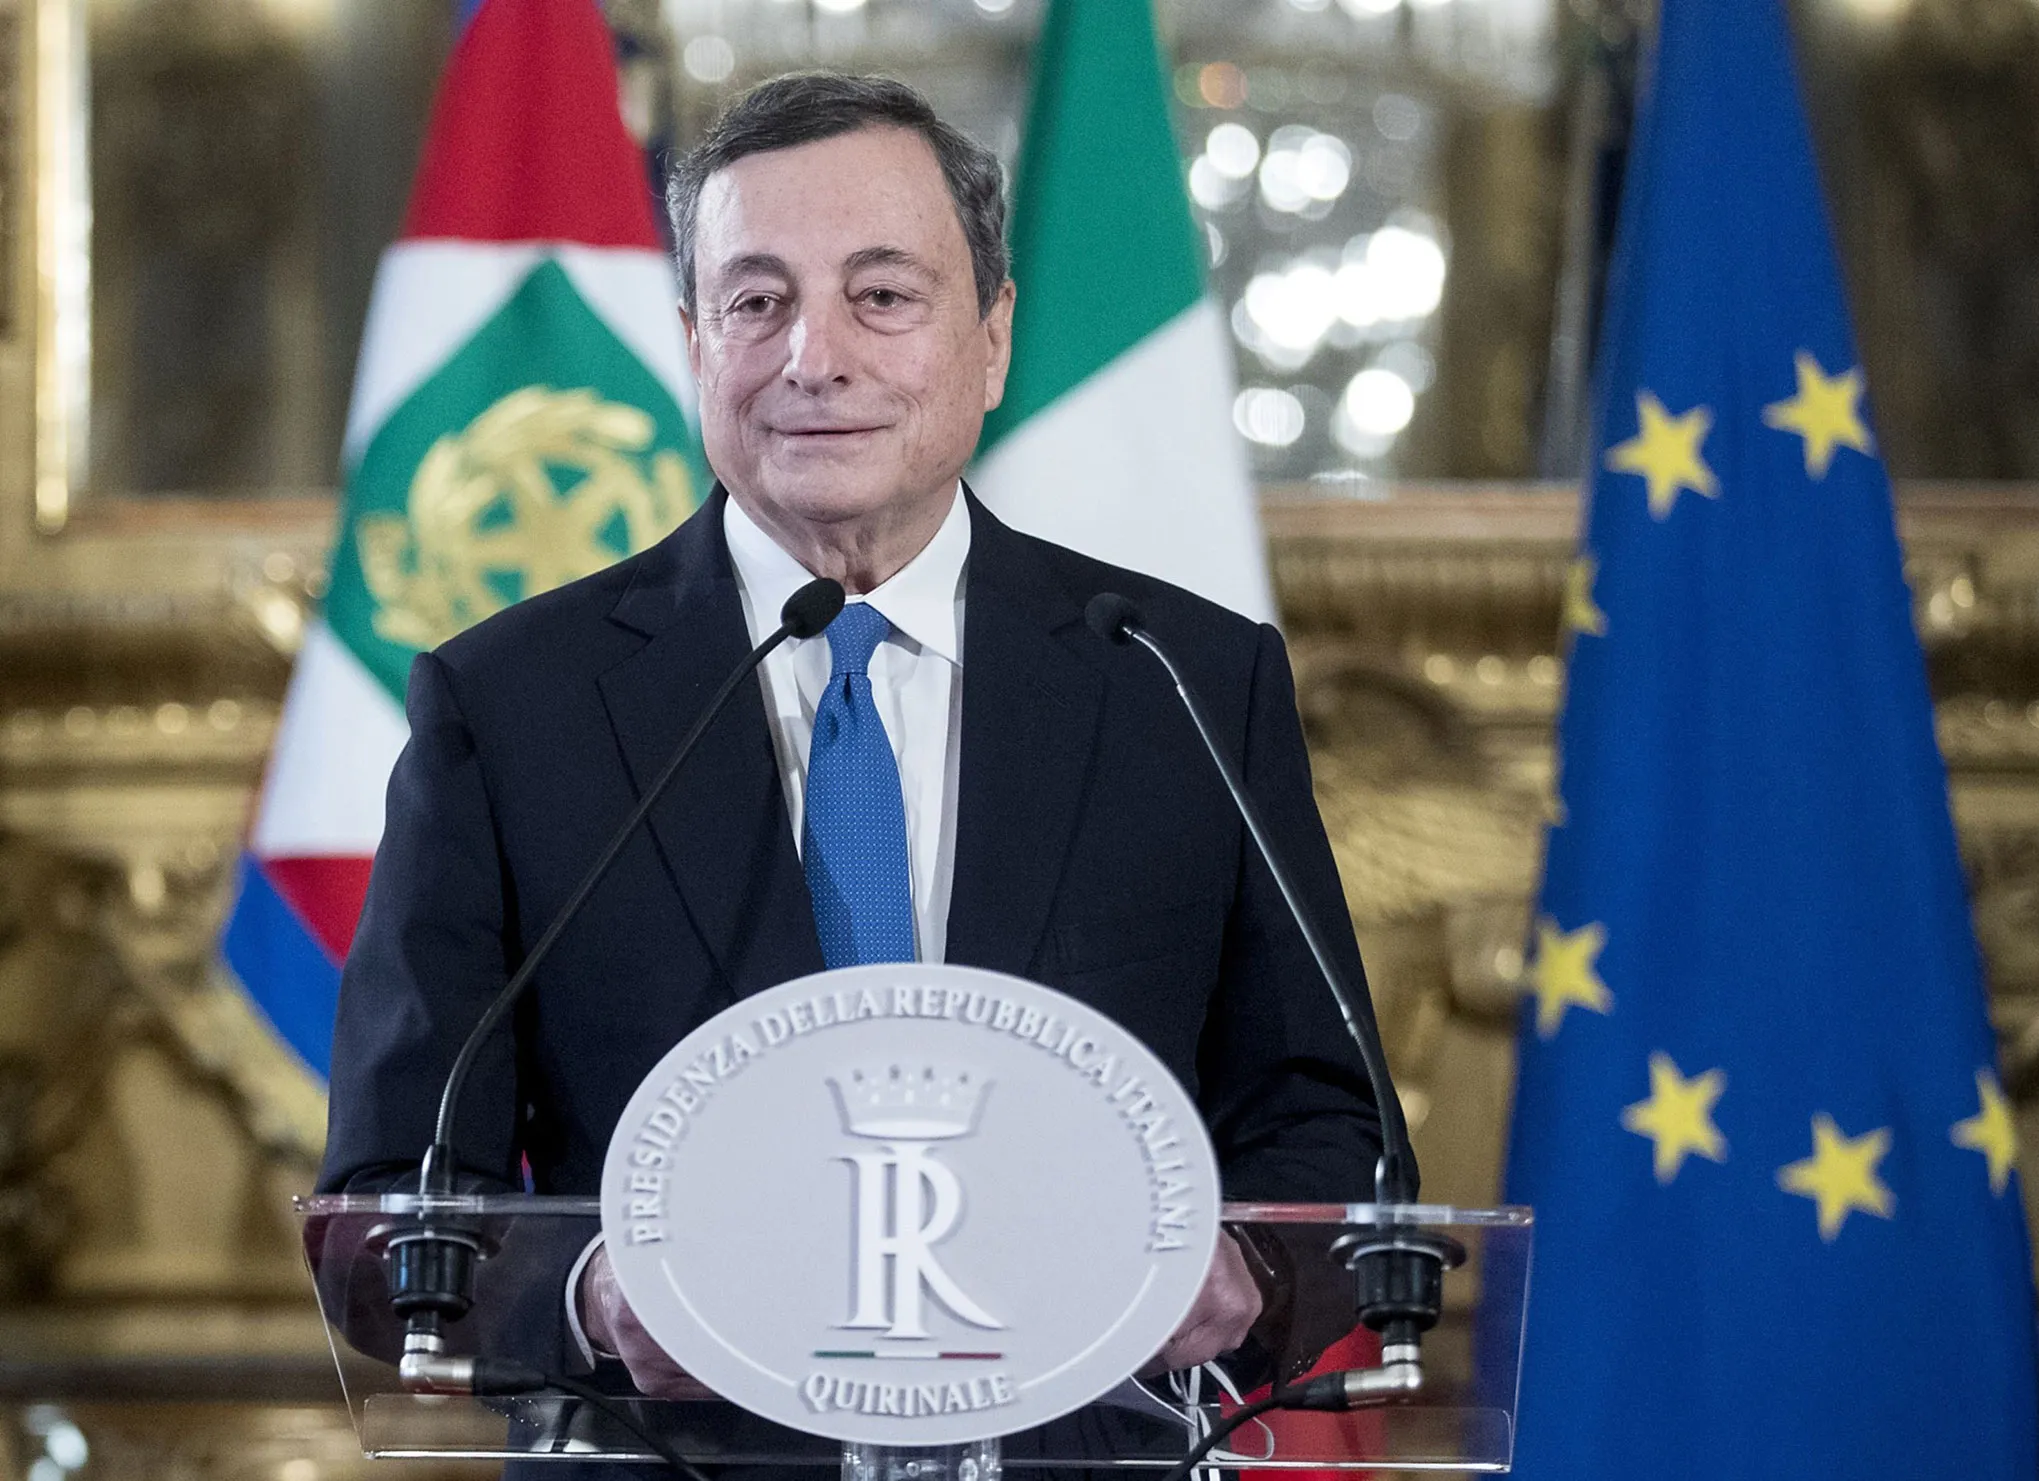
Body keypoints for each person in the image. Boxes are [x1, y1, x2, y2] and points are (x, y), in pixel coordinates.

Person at [319, 71, 1405, 1403]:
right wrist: (596, 1303)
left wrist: (1248, 1266)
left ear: (993, 340)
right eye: (758, 302)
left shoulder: (1178, 682)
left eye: (882, 297)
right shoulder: (510, 706)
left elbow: (1327, 1126)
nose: (811, 358)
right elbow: (390, 1204)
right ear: (694, 341)